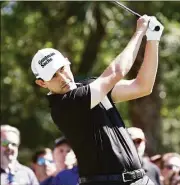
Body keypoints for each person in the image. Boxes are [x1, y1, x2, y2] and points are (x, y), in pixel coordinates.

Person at [31, 14, 164, 185]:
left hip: (140, 179)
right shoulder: (64, 105)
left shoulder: (90, 87)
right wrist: (140, 31)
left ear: (67, 62)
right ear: (42, 83)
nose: (62, 78)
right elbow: (116, 72)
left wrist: (153, 40)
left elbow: (142, 86)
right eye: (53, 76)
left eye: (62, 69)